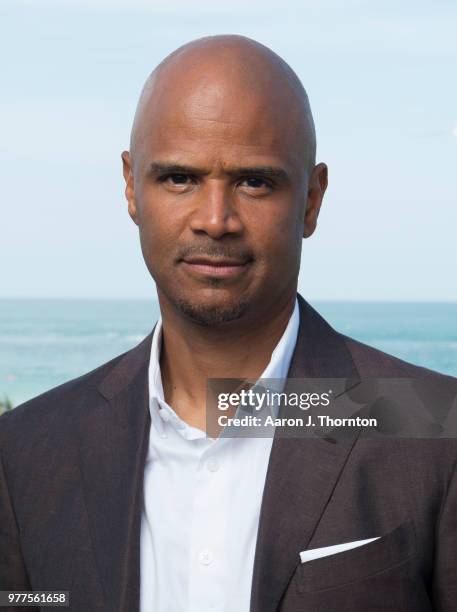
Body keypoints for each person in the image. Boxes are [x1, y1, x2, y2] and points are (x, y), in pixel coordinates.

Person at [0, 34, 456, 612]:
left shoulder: (439, 434)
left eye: (254, 182)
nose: (215, 221)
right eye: (179, 178)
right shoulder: (24, 455)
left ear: (312, 200)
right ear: (130, 186)